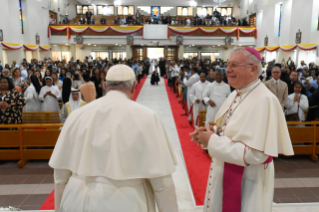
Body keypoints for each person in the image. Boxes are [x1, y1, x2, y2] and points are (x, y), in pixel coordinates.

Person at [49, 65, 178, 212]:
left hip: (76, 199)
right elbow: (162, 182)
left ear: (104, 86)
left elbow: (60, 175)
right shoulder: (147, 117)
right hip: (126, 202)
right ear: (134, 86)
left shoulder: (76, 116)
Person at [190, 47, 294, 212]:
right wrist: (209, 134)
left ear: (253, 69)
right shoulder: (236, 94)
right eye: (228, 64)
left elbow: (256, 153)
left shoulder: (264, 100)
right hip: (226, 171)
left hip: (247, 182)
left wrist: (212, 141)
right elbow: (227, 130)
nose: (227, 69)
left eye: (234, 65)